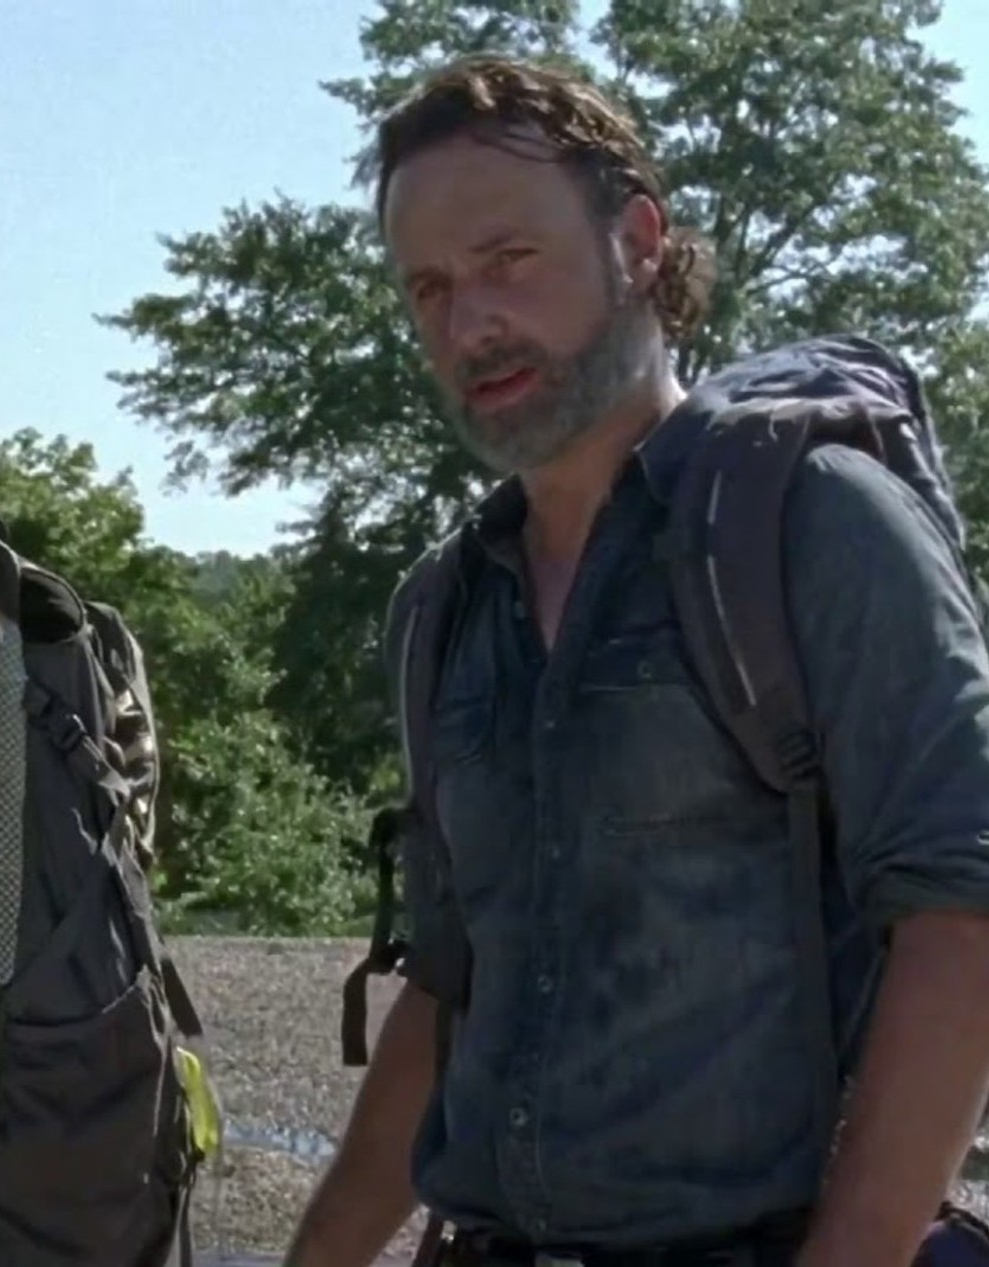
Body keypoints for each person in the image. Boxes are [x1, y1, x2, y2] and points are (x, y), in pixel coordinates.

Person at [286, 56, 989, 1267]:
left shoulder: (811, 522)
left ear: (640, 243)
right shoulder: (445, 610)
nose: (469, 323)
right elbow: (451, 990)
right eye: (428, 287)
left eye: (509, 259)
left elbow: (962, 908)